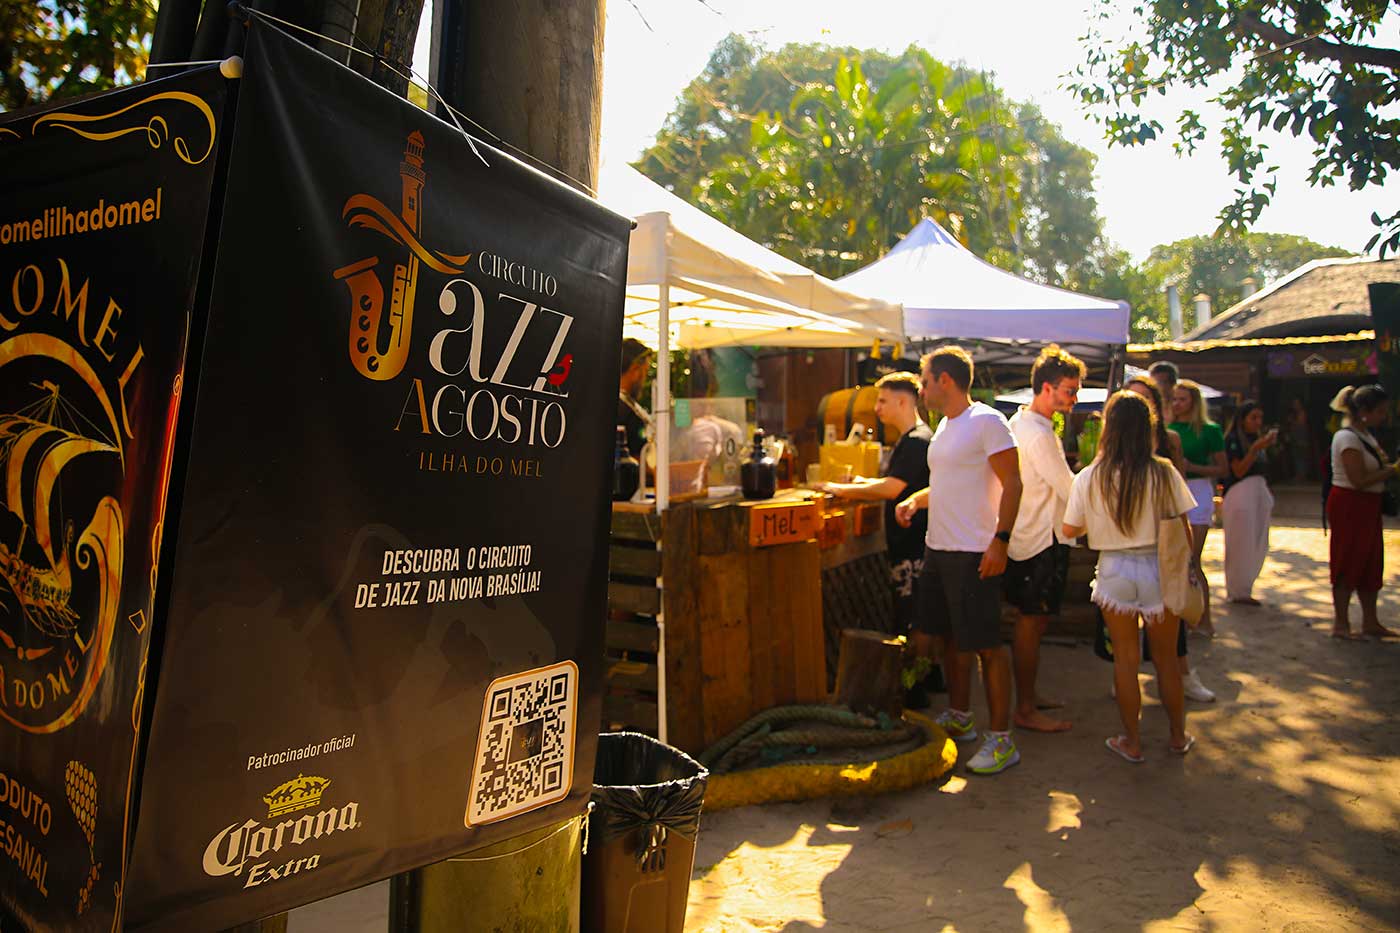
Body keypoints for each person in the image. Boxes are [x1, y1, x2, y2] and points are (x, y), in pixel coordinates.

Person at [895, 346, 1023, 775]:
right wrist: (916, 500)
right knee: (948, 638)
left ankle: (1002, 739)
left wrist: (1000, 542)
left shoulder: (987, 421)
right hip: (939, 548)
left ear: (945, 380)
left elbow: (1014, 483)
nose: (922, 387)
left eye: (925, 380)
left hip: (974, 552)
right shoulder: (945, 429)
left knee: (987, 645)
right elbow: (949, 484)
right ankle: (961, 715)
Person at [1063, 391, 1197, 762]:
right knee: (1167, 659)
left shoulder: (1090, 476)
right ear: (1148, 428)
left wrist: (1100, 526)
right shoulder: (1164, 472)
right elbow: (1184, 529)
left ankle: (1132, 741)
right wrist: (1190, 570)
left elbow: (1070, 528)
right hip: (1159, 569)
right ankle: (1176, 736)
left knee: (1125, 660)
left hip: (1113, 570)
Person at [818, 372, 938, 699]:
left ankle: (915, 688)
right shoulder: (914, 438)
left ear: (903, 401)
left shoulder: (916, 440)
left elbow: (892, 488)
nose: (878, 408)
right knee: (916, 616)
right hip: (910, 542)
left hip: (913, 544)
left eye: (883, 400)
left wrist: (838, 488)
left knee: (913, 618)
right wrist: (857, 482)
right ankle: (923, 681)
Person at [1005, 345, 1083, 733]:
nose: (1074, 398)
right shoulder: (1035, 432)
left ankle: (1029, 698)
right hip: (1039, 540)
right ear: (1046, 388)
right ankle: (1024, 709)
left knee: (1033, 623)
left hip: (1036, 536)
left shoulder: (1028, 425)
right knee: (1030, 624)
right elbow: (1067, 487)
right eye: (1069, 390)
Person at [1123, 376, 1215, 703]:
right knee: (1123, 625)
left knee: (1170, 616)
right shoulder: (1112, 444)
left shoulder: (1169, 441)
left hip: (1164, 540)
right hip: (1124, 543)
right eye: (1130, 398)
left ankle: (1184, 674)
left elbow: (1180, 497)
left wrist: (1185, 547)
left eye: (1144, 400)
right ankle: (1127, 681)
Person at [1326, 384, 1398, 639]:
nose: (1383, 416)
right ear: (1364, 411)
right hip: (1350, 504)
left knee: (1371, 560)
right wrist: (1393, 470)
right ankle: (1341, 623)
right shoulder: (1347, 437)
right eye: (1379, 411)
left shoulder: (1366, 435)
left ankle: (1370, 621)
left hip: (1368, 505)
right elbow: (1358, 479)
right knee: (1348, 558)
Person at [1168, 379, 1227, 637]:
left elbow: (1222, 468)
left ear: (1193, 402)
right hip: (1172, 490)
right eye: (1174, 398)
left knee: (1193, 559)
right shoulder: (1167, 428)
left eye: (1182, 399)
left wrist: (1192, 467)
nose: (1177, 403)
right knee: (1174, 559)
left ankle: (1205, 619)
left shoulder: (1210, 430)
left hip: (1199, 490)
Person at [1222, 400, 1278, 605]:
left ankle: (1247, 585)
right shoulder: (1234, 440)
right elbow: (1238, 471)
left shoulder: (1256, 440)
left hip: (1258, 493)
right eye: (1253, 417)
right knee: (1240, 542)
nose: (1257, 422)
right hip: (1240, 494)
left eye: (1260, 418)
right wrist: (1254, 450)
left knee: (1257, 541)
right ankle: (1238, 590)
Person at [617, 338, 652, 459]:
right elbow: (634, 457)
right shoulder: (622, 408)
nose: (645, 380)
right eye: (645, 372)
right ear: (635, 370)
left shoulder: (626, 402)